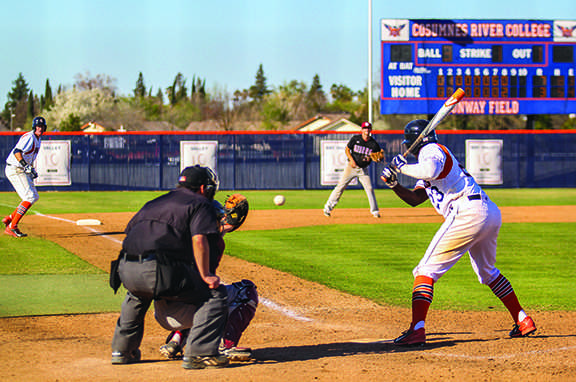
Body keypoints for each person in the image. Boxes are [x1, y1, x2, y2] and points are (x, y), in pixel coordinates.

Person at [380, 119, 536, 346]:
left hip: (466, 211)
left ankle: (417, 329)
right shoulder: (431, 157)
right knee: (488, 272)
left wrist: (401, 167)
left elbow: (430, 169)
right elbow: (415, 199)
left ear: (413, 143)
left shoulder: (431, 150)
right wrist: (395, 184)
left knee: (424, 270)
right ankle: (523, 319)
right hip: (487, 212)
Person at [110, 165, 230, 369]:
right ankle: (200, 353)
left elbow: (130, 232)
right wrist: (206, 274)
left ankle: (122, 350)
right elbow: (199, 240)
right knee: (215, 295)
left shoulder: (154, 202)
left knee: (137, 295)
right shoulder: (201, 203)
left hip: (125, 268)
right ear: (203, 188)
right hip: (157, 270)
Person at [158, 197, 258, 362]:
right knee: (244, 290)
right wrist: (230, 221)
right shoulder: (212, 243)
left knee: (192, 293)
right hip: (188, 309)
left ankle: (176, 339)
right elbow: (213, 236)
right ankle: (226, 345)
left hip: (161, 313)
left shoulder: (175, 236)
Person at [323, 122, 385, 218]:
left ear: (371, 130)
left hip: (363, 170)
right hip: (351, 168)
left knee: (369, 188)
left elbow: (378, 157)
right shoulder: (356, 139)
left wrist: (378, 159)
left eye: (368, 128)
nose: (366, 130)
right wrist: (351, 160)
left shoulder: (373, 144)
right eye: (365, 128)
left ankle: (375, 211)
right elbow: (347, 149)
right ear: (361, 130)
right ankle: (328, 208)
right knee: (340, 187)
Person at [3, 116, 46, 238]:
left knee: (34, 196)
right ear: (34, 127)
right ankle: (12, 226)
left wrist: (30, 169)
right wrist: (25, 166)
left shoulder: (38, 139)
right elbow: (17, 151)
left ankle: (10, 219)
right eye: (38, 126)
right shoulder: (30, 137)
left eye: (42, 127)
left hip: (21, 169)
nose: (40, 128)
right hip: (15, 168)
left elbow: (29, 156)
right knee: (29, 196)